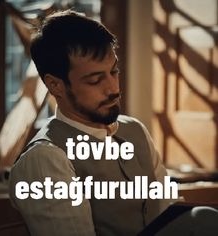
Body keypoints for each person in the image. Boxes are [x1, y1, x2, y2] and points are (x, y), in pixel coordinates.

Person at [9, 10, 168, 236]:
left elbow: (170, 215)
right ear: (56, 86)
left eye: (114, 71)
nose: (113, 88)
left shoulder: (135, 131)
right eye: (95, 80)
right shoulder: (45, 159)